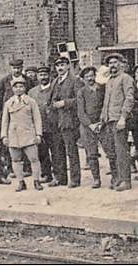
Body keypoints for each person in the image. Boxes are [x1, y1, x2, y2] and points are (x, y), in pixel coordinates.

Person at [1, 76, 44, 192]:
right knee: (16, 160)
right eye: (16, 87)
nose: (19, 89)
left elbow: (37, 119)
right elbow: (5, 121)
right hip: (14, 135)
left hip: (28, 134)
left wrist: (38, 134)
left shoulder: (31, 102)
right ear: (12, 89)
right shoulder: (9, 103)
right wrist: (4, 136)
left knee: (34, 159)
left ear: (25, 88)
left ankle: (36, 181)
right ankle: (21, 182)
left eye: (21, 86)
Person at [99, 53, 135, 191]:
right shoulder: (109, 81)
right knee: (112, 151)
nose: (112, 65)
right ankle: (118, 178)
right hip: (109, 120)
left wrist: (123, 118)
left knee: (121, 151)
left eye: (115, 62)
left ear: (121, 64)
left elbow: (129, 99)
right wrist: (103, 118)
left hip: (119, 120)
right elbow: (106, 102)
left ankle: (126, 181)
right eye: (110, 63)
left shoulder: (126, 78)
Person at [49, 56, 82, 187]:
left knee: (71, 151)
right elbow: (50, 100)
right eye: (58, 66)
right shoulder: (55, 81)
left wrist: (65, 103)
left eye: (62, 65)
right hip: (56, 121)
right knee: (57, 151)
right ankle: (60, 178)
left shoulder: (75, 81)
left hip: (69, 121)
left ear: (68, 66)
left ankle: (75, 179)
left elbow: (80, 99)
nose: (60, 68)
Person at [0, 58, 31, 178]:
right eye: (14, 68)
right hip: (10, 116)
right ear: (10, 68)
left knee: (27, 141)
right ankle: (11, 168)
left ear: (22, 68)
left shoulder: (28, 80)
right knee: (11, 143)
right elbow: (0, 99)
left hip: (24, 116)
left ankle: (27, 168)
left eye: (19, 68)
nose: (16, 70)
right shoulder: (4, 81)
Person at [76, 65, 107, 188]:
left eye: (92, 75)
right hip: (87, 127)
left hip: (102, 124)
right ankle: (96, 179)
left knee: (110, 151)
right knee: (92, 154)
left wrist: (101, 122)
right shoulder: (81, 92)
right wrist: (90, 125)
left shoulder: (102, 89)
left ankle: (116, 178)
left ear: (95, 76)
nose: (90, 78)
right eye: (87, 76)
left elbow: (106, 105)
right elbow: (80, 112)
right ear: (83, 79)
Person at [28, 65, 57, 184]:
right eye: (41, 75)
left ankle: (58, 175)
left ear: (49, 76)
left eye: (45, 75)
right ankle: (46, 174)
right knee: (42, 152)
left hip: (53, 125)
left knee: (56, 152)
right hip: (39, 127)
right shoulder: (32, 92)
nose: (43, 77)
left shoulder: (55, 89)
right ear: (37, 77)